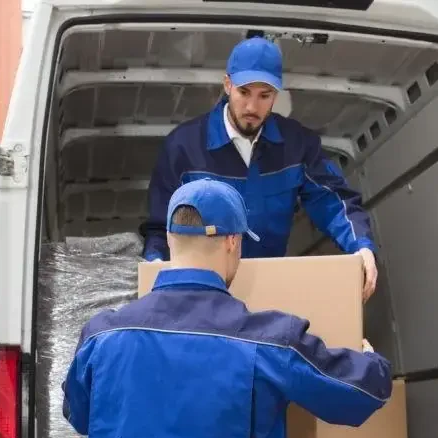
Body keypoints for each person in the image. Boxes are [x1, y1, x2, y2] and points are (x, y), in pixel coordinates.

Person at [63, 178, 392, 438]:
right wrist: (370, 358)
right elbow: (360, 394)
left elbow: (78, 414)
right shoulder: (269, 339)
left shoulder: (100, 336)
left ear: (170, 240)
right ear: (233, 242)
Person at [139, 36, 379, 301]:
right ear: (227, 84)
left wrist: (362, 248)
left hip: (269, 286)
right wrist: (155, 267)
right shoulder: (183, 147)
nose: (252, 107)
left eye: (264, 96)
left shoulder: (297, 146)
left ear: (276, 94)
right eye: (244, 92)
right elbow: (160, 227)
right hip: (200, 293)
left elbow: (334, 202)